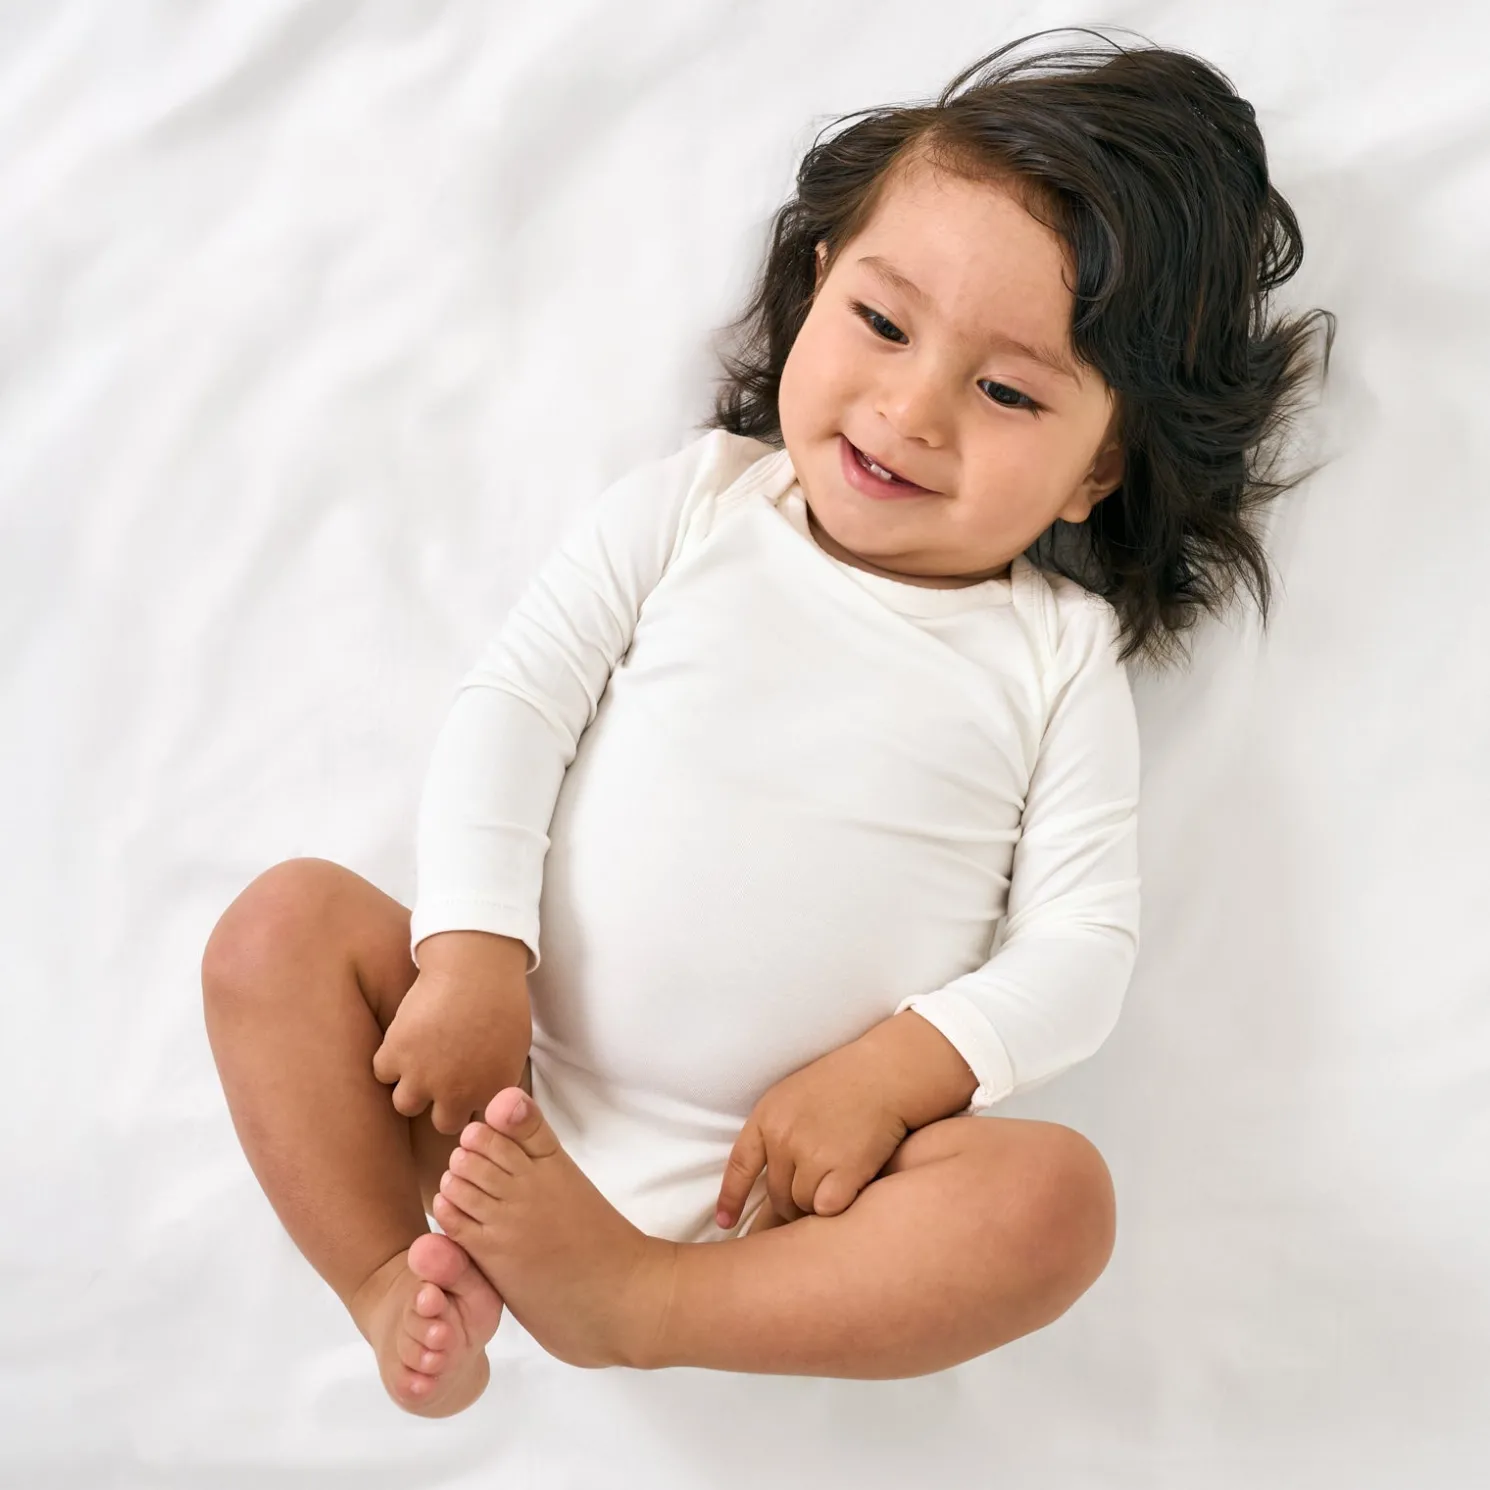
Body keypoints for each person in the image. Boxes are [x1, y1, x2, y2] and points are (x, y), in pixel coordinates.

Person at [201, 30, 1332, 1417]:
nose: (910, 409)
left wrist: (895, 1070)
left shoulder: (1054, 657)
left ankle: (644, 1300)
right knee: (280, 928)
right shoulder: (697, 506)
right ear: (813, 285)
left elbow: (1081, 948)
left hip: (785, 1179)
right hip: (499, 1067)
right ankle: (394, 1273)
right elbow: (515, 704)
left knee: (1052, 1202)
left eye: (1005, 391)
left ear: (1099, 464)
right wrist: (473, 944)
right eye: (880, 321)